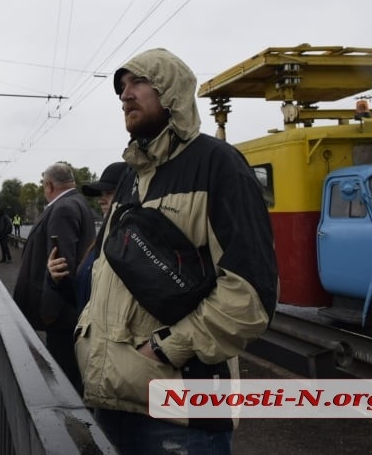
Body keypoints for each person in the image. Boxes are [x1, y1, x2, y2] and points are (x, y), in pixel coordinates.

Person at [74, 48, 278, 454]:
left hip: (182, 418)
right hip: (114, 399)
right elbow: (109, 279)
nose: (125, 95)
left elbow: (250, 296)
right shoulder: (134, 178)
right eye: (121, 87)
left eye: (138, 82)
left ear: (171, 90)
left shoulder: (218, 164)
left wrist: (164, 349)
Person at [12, 162, 96, 395]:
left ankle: (76, 426)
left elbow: (61, 265)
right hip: (71, 311)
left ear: (49, 185)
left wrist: (49, 313)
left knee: (65, 377)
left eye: (43, 185)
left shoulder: (63, 209)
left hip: (61, 316)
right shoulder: (79, 204)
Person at [47, 161, 128, 314]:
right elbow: (83, 297)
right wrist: (57, 279)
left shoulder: (131, 246)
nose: (101, 200)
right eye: (102, 194)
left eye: (109, 193)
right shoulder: (104, 239)